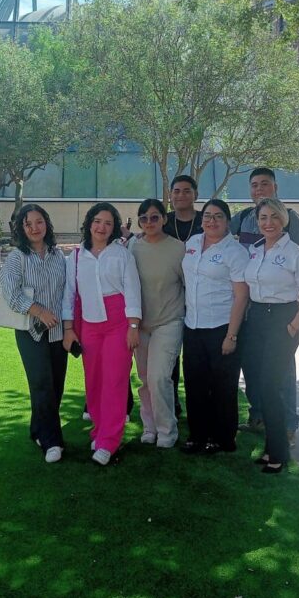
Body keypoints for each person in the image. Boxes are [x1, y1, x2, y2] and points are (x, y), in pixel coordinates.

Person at [229, 166, 299, 441]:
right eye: (254, 185)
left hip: (281, 311)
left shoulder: (291, 219)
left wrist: (294, 322)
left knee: (281, 369)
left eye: (264, 184)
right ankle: (258, 416)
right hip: (251, 308)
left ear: (275, 188)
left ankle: (287, 423)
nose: (259, 190)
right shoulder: (242, 219)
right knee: (252, 364)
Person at [241, 198, 299, 474]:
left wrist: (293, 325)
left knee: (271, 388)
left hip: (282, 320)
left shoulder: (297, 253)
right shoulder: (254, 250)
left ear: (283, 219)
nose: (268, 223)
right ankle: (271, 448)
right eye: (263, 218)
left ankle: (279, 452)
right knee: (261, 388)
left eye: (274, 217)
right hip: (257, 320)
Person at [62, 203, 142, 466]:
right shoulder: (75, 257)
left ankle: (109, 440)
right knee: (94, 380)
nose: (102, 227)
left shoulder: (122, 254)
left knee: (115, 381)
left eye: (108, 223)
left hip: (118, 322)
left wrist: (133, 326)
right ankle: (99, 430)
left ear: (114, 227)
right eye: (97, 221)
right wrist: (69, 328)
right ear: (89, 223)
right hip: (89, 324)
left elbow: (132, 290)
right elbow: (70, 295)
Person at [180, 199, 249, 454]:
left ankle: (223, 438)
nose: (211, 221)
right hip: (193, 326)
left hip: (222, 327)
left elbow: (241, 296)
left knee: (222, 386)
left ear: (227, 221)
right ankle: (198, 434)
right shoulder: (193, 244)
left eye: (218, 216)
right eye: (208, 216)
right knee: (195, 384)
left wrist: (231, 335)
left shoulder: (235, 252)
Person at [1, 204, 69, 463]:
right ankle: (52, 441)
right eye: (28, 224)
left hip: (58, 332)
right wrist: (39, 311)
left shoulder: (58, 255)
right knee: (42, 385)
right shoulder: (17, 257)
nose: (34, 228)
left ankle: (37, 429)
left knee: (57, 385)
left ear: (46, 224)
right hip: (31, 332)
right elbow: (10, 292)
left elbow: (66, 290)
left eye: (38, 222)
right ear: (21, 228)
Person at [129, 198, 186, 448]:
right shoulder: (132, 247)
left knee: (159, 377)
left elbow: (189, 285)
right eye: (144, 218)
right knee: (145, 379)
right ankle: (149, 427)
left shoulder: (178, 249)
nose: (149, 222)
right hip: (140, 325)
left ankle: (167, 431)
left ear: (164, 218)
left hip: (169, 321)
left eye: (155, 217)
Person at [163, 174, 203, 416]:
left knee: (195, 356)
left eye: (186, 191)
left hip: (200, 296)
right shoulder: (163, 221)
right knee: (169, 355)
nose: (181, 195)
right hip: (169, 296)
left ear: (195, 195)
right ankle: (172, 404)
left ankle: (199, 406)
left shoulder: (206, 220)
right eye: (176, 191)